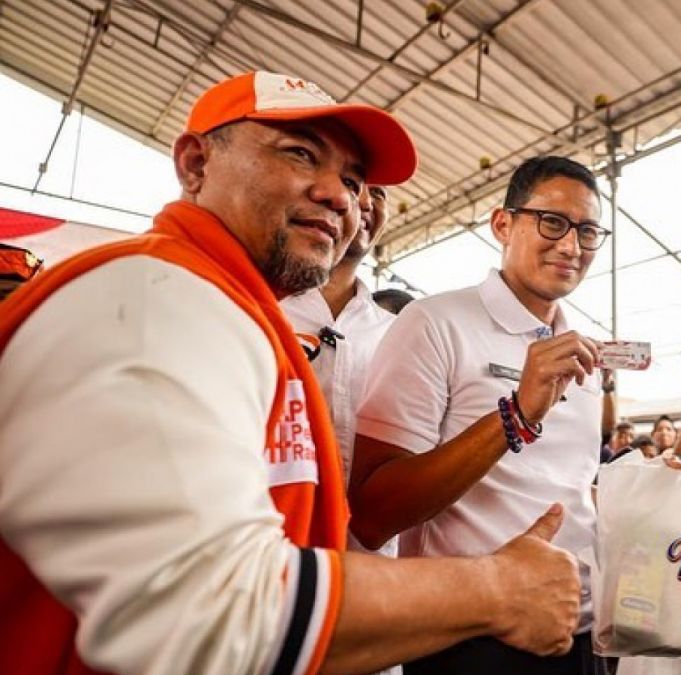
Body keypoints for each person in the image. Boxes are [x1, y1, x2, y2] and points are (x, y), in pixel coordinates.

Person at [0, 71, 582, 674]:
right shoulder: (156, 299)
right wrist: (497, 592)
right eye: (300, 153)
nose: (340, 196)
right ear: (196, 164)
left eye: (353, 180)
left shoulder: (231, 308)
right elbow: (207, 613)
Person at [352, 155, 610, 674]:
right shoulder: (434, 323)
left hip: (580, 634)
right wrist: (515, 415)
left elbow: (569, 489)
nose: (570, 245)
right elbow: (375, 510)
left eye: (587, 231)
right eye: (553, 222)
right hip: (469, 638)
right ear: (502, 224)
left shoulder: (582, 346)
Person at [281, 185, 395, 502]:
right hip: (274, 536)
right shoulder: (263, 308)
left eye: (379, 193)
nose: (365, 203)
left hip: (370, 547)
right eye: (352, 185)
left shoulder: (401, 333)